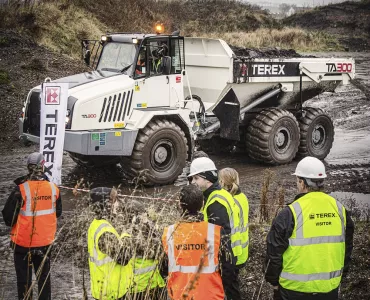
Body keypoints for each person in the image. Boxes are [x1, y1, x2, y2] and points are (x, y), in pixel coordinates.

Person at [265, 156, 354, 300]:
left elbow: (273, 252)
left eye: (297, 180)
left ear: (301, 182)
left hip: (293, 290)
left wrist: (273, 281)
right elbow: (347, 249)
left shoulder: (290, 213)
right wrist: (341, 277)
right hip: (329, 288)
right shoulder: (340, 210)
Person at [1, 152, 62, 300]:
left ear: (28, 168)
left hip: (22, 244)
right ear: (43, 166)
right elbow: (58, 213)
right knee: (44, 280)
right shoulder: (54, 189)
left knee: (24, 282)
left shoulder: (20, 190)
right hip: (45, 243)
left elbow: (8, 219)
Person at [188, 157, 242, 300]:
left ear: (207, 178)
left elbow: (223, 240)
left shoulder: (215, 202)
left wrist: (225, 270)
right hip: (232, 257)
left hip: (226, 262)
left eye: (196, 178)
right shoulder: (219, 194)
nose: (193, 182)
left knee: (230, 293)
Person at [162, 185, 225, 299]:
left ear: (180, 205)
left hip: (180, 294)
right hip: (211, 294)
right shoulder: (215, 231)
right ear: (202, 204)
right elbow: (227, 266)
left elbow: (163, 268)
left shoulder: (169, 233)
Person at [88, 187, 133, 300]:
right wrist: (126, 234)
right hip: (112, 292)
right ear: (106, 204)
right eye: (114, 200)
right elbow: (124, 258)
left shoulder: (97, 224)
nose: (118, 204)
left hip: (105, 289)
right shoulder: (105, 232)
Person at [219, 167, 249, 267]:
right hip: (243, 252)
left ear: (222, 183)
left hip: (232, 254)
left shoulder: (228, 202)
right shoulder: (243, 197)